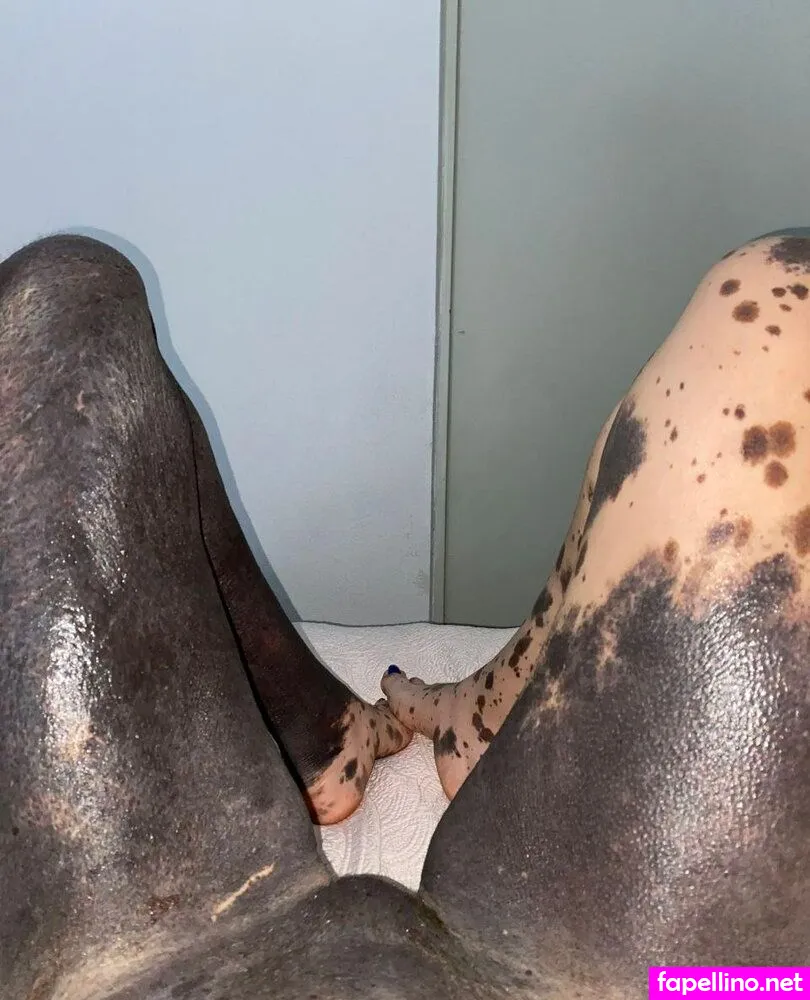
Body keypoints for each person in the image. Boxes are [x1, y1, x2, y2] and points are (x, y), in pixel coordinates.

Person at [2, 232, 808, 999]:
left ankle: (345, 731)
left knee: (63, 306)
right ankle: (419, 724)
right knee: (781, 305)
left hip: (103, 978)